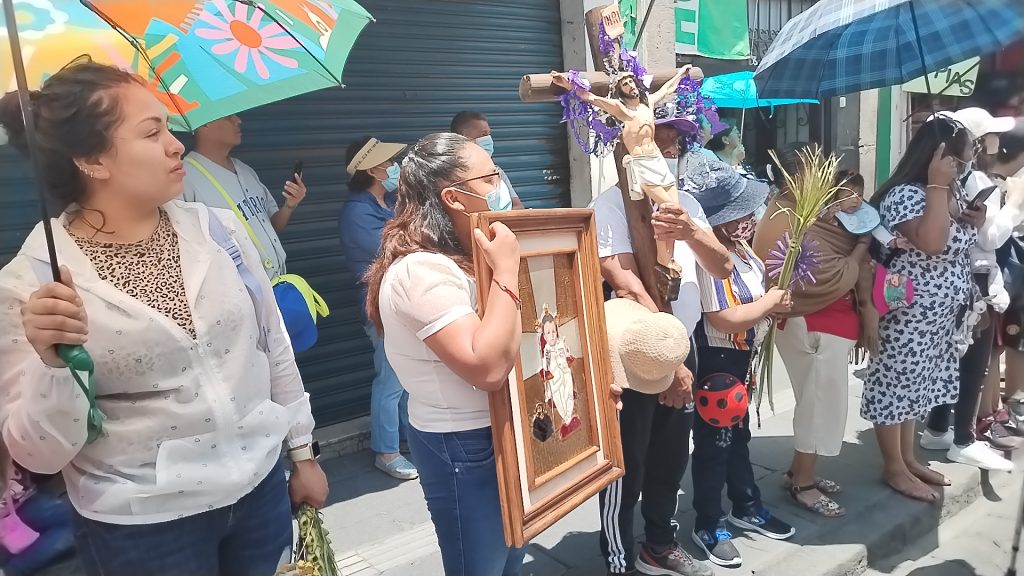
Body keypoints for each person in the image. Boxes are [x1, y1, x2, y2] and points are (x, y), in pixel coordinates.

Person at [0, 59, 327, 576]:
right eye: (152, 132)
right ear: (92, 159)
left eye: (168, 127)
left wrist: (302, 451)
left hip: (261, 491)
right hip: (143, 528)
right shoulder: (34, 284)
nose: (177, 144)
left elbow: (272, 345)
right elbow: (39, 454)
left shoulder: (218, 232)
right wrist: (52, 364)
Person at [364, 132, 523, 575]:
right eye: (491, 176)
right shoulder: (422, 271)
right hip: (462, 444)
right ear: (454, 197)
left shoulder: (469, 254)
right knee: (483, 566)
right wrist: (508, 270)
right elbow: (488, 366)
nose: (502, 184)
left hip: (504, 430)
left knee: (510, 558)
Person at [590, 118, 730, 576]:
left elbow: (722, 267)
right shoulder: (607, 209)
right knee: (625, 466)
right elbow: (626, 282)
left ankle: (659, 544)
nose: (666, 154)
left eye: (673, 146)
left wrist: (690, 232)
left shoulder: (686, 203)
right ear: (630, 154)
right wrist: (670, 362)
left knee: (670, 459)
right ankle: (618, 558)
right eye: (656, 144)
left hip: (682, 346)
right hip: (632, 353)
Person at [861, 115, 988, 502]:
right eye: (969, 152)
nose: (972, 158)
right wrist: (936, 184)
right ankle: (894, 467)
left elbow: (957, 240)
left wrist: (975, 219)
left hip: (938, 317)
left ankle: (907, 457)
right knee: (896, 383)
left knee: (918, 386)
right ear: (941, 155)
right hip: (907, 310)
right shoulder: (910, 193)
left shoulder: (951, 192)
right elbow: (932, 242)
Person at [677, 159, 795, 568]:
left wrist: (772, 306)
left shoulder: (742, 250)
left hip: (741, 359)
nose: (750, 218)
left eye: (749, 211)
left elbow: (755, 304)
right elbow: (722, 318)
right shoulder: (711, 258)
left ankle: (746, 503)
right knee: (714, 446)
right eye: (742, 212)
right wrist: (767, 304)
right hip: (718, 363)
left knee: (738, 438)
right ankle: (708, 521)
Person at [752, 144, 876, 519]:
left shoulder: (806, 212)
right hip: (812, 322)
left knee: (815, 400)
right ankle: (803, 485)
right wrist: (859, 252)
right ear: (797, 178)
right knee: (819, 403)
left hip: (823, 322)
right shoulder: (788, 217)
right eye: (816, 171)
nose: (824, 179)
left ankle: (798, 471)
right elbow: (823, 275)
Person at [918, 109, 1022, 467]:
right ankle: (962, 437)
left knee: (956, 360)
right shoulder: (973, 179)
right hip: (974, 280)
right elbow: (989, 237)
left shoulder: (964, 179)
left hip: (964, 279)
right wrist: (1017, 205)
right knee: (971, 364)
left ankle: (937, 429)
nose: (996, 142)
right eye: (989, 136)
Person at [552, 66, 704, 299]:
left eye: (632, 83)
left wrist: (681, 74)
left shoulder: (647, 105)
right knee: (669, 210)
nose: (631, 87)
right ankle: (664, 264)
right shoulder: (623, 111)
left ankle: (666, 262)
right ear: (620, 91)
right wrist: (569, 84)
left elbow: (666, 89)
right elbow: (591, 98)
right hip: (641, 163)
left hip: (657, 163)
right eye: (625, 85)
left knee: (676, 212)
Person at [339, 136, 418, 481]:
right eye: (389, 163)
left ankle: (405, 439)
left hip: (401, 302)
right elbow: (398, 250)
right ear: (373, 169)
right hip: (381, 306)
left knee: (402, 378)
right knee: (389, 379)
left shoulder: (389, 204)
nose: (394, 167)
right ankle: (385, 452)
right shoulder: (357, 212)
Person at [181, 114, 306, 280]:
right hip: (242, 296)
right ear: (205, 123)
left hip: (278, 284)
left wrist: (289, 206)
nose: (238, 120)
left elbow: (274, 225)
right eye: (228, 116)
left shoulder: (246, 171)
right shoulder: (185, 178)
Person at [0, 465, 75, 576]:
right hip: (10, 512)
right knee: (78, 526)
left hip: (26, 499)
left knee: (81, 522)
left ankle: (11, 570)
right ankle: (10, 571)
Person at [450, 110, 525, 209]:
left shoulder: (497, 172)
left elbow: (518, 206)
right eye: (483, 134)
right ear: (464, 138)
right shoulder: (451, 175)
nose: (488, 139)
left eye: (489, 134)